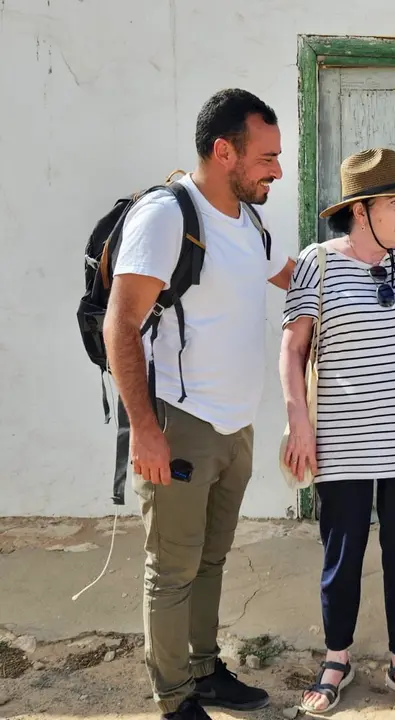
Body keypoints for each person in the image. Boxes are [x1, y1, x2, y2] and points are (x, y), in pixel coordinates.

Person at [103, 89, 295, 720]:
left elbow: (290, 275)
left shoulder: (250, 222)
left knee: (211, 559)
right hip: (180, 426)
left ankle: (205, 667)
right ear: (224, 151)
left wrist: (374, 264)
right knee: (173, 568)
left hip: (234, 427)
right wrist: (145, 432)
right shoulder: (167, 216)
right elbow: (121, 324)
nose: (277, 169)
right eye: (266, 156)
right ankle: (173, 696)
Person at [280, 148, 395, 718]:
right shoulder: (317, 264)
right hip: (342, 444)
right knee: (342, 557)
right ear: (361, 211)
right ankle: (338, 657)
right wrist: (298, 423)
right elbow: (293, 349)